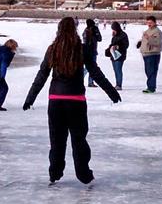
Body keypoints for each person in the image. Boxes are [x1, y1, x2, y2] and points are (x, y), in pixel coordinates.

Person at [23, 17, 121, 185]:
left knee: (57, 140)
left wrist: (30, 98)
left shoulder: (52, 49)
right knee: (79, 139)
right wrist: (112, 92)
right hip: (75, 101)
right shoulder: (81, 49)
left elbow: (42, 75)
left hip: (56, 101)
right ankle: (83, 174)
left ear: (58, 29)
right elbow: (96, 73)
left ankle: (54, 173)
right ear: (75, 29)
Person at [136, 15, 162, 93]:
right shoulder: (147, 31)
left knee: (151, 71)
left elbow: (157, 42)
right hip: (146, 53)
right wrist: (140, 43)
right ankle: (151, 86)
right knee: (148, 71)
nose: (149, 24)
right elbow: (145, 40)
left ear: (154, 23)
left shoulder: (157, 32)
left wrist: (148, 38)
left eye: (150, 23)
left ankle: (151, 87)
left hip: (153, 54)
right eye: (148, 23)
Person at [104, 21, 129, 90]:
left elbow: (126, 45)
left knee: (118, 70)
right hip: (113, 55)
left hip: (120, 55)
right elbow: (112, 44)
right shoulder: (114, 35)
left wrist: (118, 46)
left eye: (114, 29)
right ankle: (117, 83)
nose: (113, 30)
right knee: (116, 70)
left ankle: (119, 85)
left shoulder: (123, 35)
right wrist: (109, 48)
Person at [82, 18, 103, 87]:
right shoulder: (92, 30)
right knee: (91, 67)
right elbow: (99, 39)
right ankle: (88, 81)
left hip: (88, 51)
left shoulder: (86, 30)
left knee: (90, 67)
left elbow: (99, 39)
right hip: (92, 51)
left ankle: (89, 81)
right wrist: (96, 34)